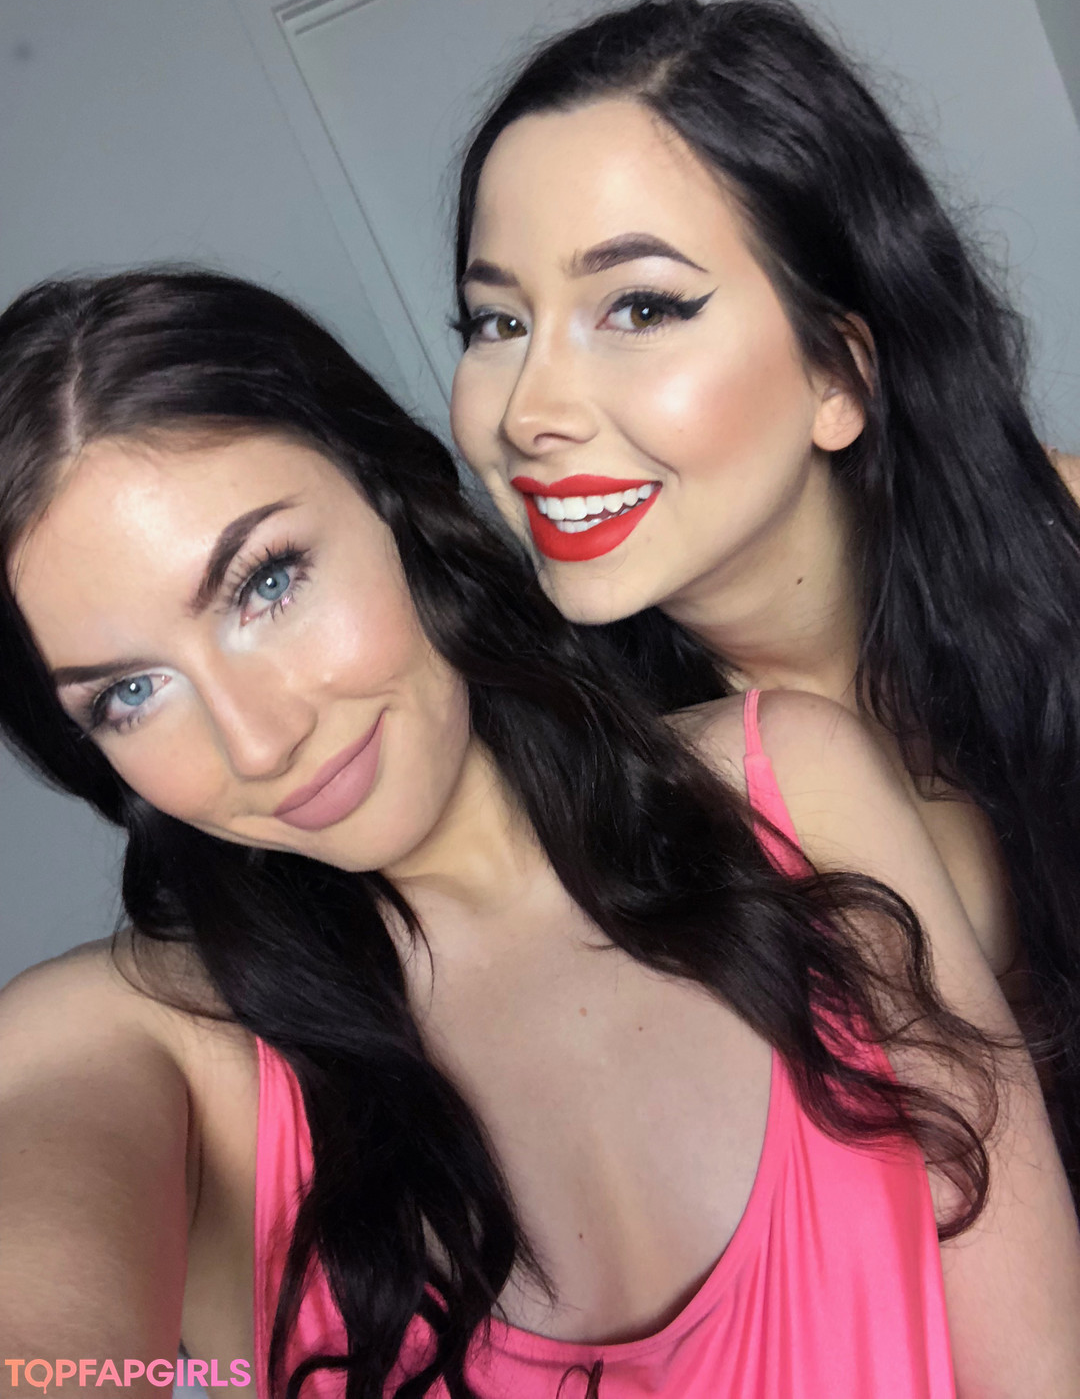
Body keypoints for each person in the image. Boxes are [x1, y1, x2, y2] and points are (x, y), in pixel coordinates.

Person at [0, 270, 1078, 1399]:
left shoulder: (788, 791)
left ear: (387, 492)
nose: (259, 741)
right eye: (129, 694)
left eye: (267, 583)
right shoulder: (149, 1046)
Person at [448, 0, 1080, 1184]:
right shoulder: (576, 781)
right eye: (495, 322)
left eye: (639, 307)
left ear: (838, 373)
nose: (527, 412)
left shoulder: (1065, 536)